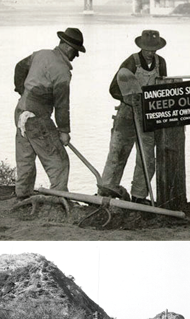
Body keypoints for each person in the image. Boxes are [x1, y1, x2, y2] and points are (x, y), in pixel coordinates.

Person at [13, 27, 85, 200]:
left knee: (25, 159)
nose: (76, 56)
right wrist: (64, 131)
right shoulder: (62, 71)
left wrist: (22, 90)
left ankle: (22, 196)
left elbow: (19, 67)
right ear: (68, 48)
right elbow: (62, 104)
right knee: (59, 162)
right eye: (75, 52)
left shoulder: (40, 54)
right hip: (37, 119)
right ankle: (58, 201)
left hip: (21, 112)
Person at [99, 30, 167, 204]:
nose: (151, 53)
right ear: (141, 47)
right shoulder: (131, 62)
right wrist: (130, 99)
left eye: (154, 49)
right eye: (147, 49)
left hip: (148, 116)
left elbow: (164, 88)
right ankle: (106, 191)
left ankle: (138, 195)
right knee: (118, 152)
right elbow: (113, 88)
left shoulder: (161, 63)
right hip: (127, 115)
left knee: (147, 158)